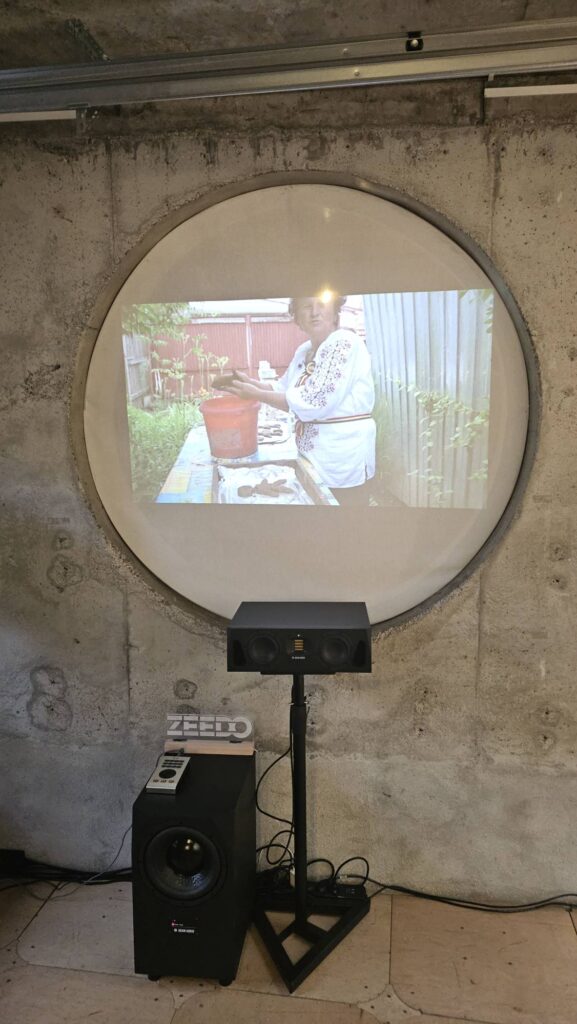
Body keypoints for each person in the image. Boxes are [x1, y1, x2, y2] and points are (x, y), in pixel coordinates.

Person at [223, 294, 376, 505]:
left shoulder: (344, 342)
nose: (315, 312)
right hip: (312, 457)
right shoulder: (304, 351)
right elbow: (282, 389)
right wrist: (248, 383)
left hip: (342, 457)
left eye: (322, 305)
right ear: (297, 319)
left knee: (346, 517)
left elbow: (314, 401)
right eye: (306, 306)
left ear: (335, 313)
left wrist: (256, 394)